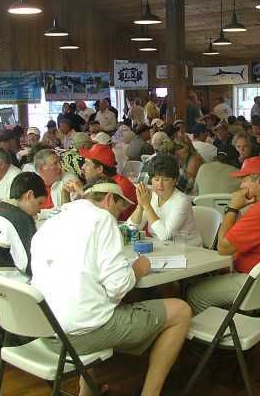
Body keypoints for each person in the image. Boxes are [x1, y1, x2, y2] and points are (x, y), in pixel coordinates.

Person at [31, 178, 192, 396]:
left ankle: (87, 391)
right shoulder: (102, 219)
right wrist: (137, 269)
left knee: (88, 301)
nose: (117, 217)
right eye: (118, 210)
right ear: (108, 199)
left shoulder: (50, 223)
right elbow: (118, 286)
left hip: (45, 330)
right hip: (79, 335)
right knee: (181, 311)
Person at [186, 156, 260, 314]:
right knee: (216, 275)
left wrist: (232, 208)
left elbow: (223, 248)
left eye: (244, 180)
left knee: (195, 294)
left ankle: (220, 330)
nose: (241, 186)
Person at [0, 172, 46, 279]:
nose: (39, 210)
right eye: (40, 203)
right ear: (29, 195)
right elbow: (29, 265)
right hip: (7, 284)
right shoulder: (22, 219)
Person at [129, 154, 202, 246]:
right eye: (156, 179)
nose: (160, 185)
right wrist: (140, 206)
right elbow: (131, 229)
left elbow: (165, 236)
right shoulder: (151, 196)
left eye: (165, 179)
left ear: (175, 180)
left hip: (189, 249)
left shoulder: (182, 201)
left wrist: (147, 206)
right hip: (162, 248)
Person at [65, 143, 137, 221]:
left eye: (87, 164)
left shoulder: (120, 186)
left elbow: (104, 219)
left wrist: (82, 192)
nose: (83, 167)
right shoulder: (100, 182)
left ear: (99, 169)